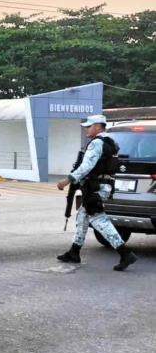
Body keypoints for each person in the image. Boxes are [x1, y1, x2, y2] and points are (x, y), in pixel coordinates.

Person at [56, 115, 138, 271]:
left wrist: (67, 180)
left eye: (89, 126)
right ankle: (74, 252)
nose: (86, 128)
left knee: (99, 219)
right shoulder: (111, 142)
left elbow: (87, 165)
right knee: (82, 216)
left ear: (99, 126)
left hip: (95, 188)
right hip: (103, 185)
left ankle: (125, 254)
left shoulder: (96, 143)